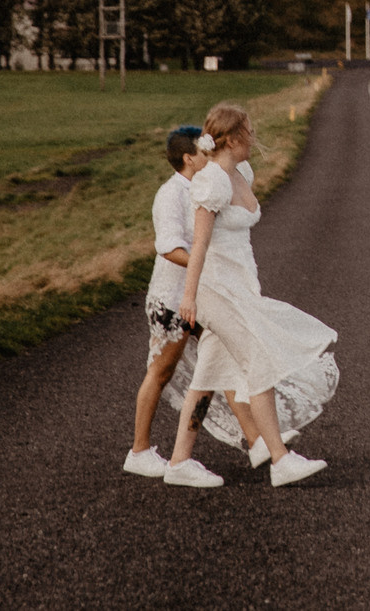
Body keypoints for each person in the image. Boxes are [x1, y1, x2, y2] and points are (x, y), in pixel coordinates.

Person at [164, 102, 338, 488]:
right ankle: (280, 459)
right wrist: (189, 298)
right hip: (216, 290)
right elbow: (200, 245)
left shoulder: (241, 172)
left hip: (241, 284)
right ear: (232, 138)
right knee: (260, 360)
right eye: (248, 130)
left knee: (207, 374)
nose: (254, 136)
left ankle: (179, 461)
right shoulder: (212, 182)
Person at [123, 126, 210, 476]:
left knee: (228, 362)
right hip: (172, 300)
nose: (211, 157)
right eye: (205, 151)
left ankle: (259, 437)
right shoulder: (171, 195)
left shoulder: (203, 189)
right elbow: (169, 247)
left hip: (201, 297)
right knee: (160, 372)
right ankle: (139, 451)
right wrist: (207, 265)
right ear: (189, 158)